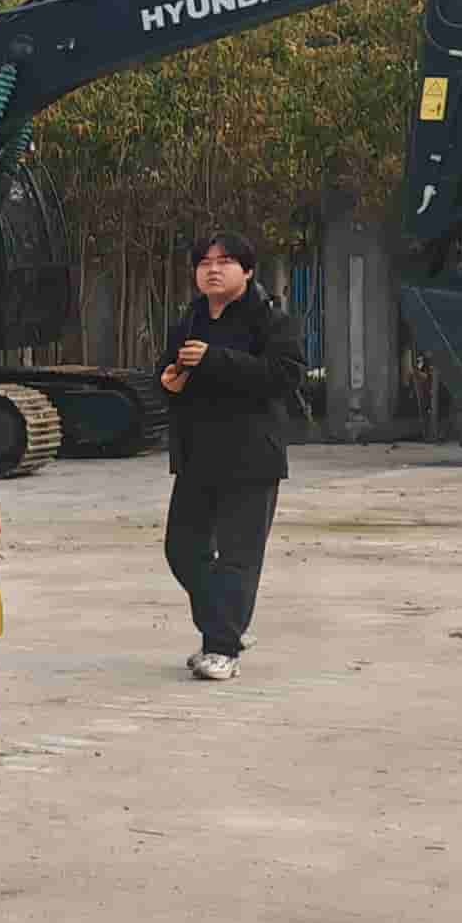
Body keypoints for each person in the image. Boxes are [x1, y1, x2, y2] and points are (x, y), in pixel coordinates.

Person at [158, 230, 304, 681]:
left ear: (248, 270)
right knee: (183, 550)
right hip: (197, 455)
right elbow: (170, 368)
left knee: (239, 557)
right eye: (204, 263)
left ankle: (221, 649)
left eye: (224, 262)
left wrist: (215, 359)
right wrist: (168, 380)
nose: (213, 270)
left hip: (251, 456)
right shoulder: (190, 318)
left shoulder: (271, 319)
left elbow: (285, 376)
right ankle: (228, 625)